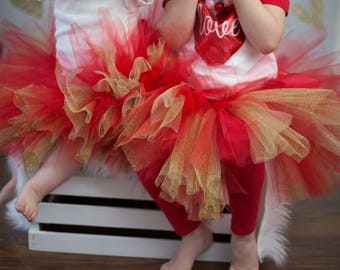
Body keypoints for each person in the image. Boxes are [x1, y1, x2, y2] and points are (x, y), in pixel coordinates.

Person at [114, 0, 340, 270]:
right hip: (190, 95)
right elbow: (173, 36)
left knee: (245, 151)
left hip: (249, 96)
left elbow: (267, 40)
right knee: (143, 152)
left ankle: (244, 240)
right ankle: (192, 233)